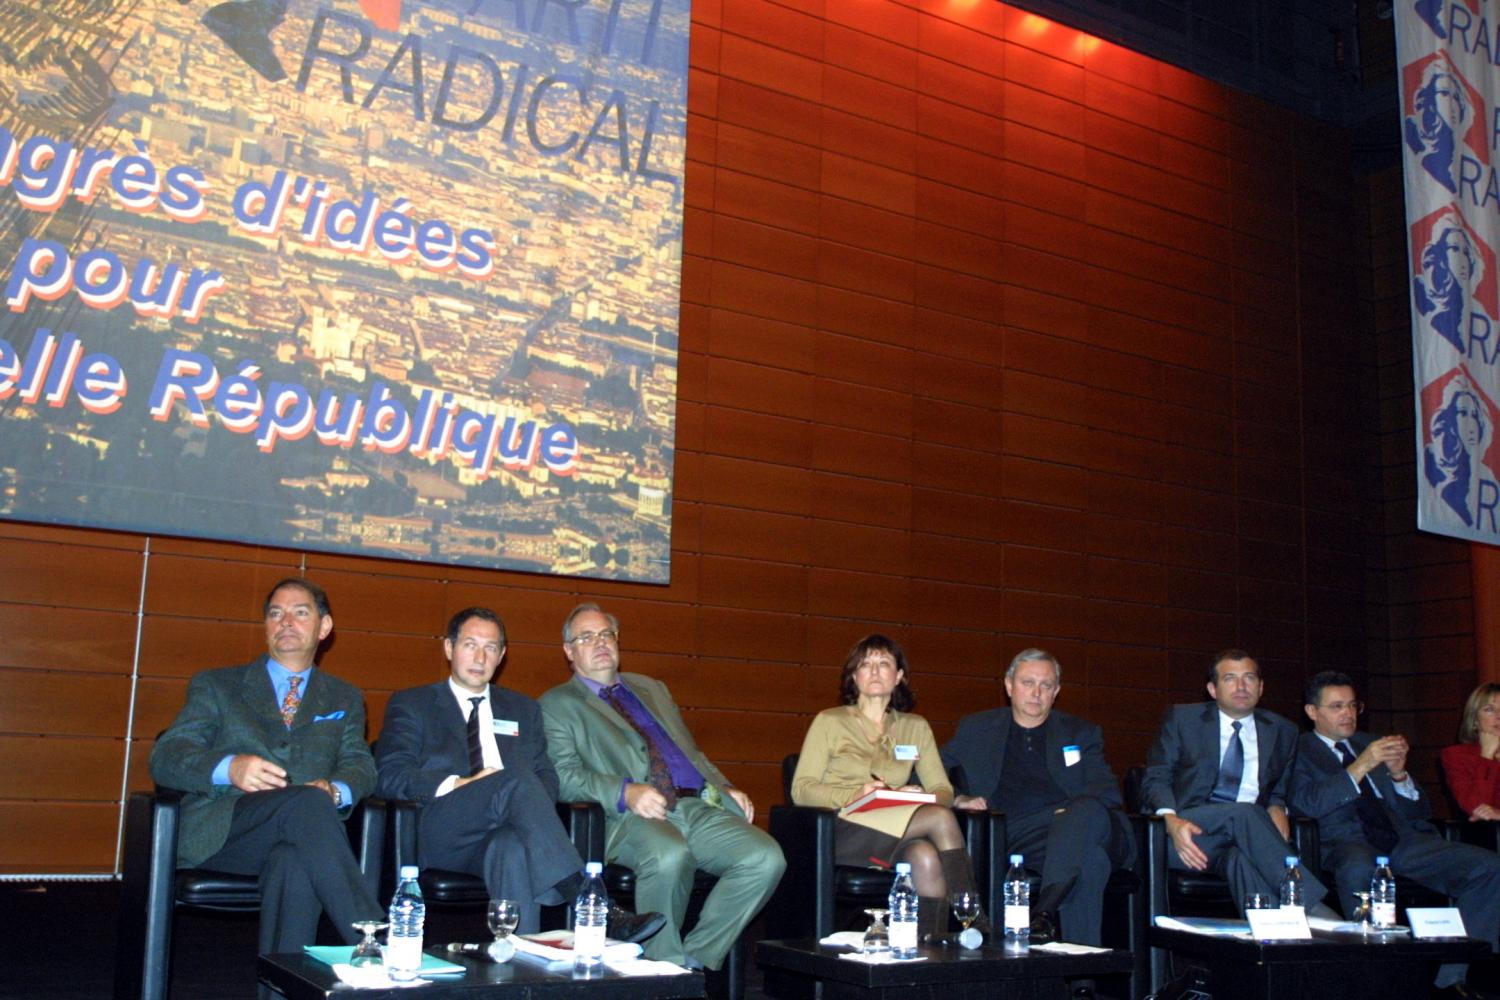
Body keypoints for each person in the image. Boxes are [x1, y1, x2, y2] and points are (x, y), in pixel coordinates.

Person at [374, 607, 665, 941]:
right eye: (470, 644)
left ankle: (518, 964)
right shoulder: (414, 704)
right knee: (513, 779)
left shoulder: (523, 709)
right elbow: (391, 776)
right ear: (449, 648)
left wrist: (516, 800)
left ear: (502, 655)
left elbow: (547, 776)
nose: (480, 656)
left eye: (491, 647)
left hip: (505, 830)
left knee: (512, 848)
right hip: (443, 829)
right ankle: (590, 901)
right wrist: (461, 784)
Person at [540, 603, 786, 971]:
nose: (600, 642)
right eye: (586, 637)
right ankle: (662, 972)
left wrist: (724, 786)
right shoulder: (556, 704)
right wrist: (625, 791)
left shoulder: (650, 688)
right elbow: (563, 776)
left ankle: (692, 960)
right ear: (568, 651)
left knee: (766, 859)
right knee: (671, 854)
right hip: (628, 816)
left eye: (606, 634)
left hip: (693, 805)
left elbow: (690, 753)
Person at [149, 577, 383, 961]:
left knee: (294, 859)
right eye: (276, 614)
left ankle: (281, 986)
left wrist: (336, 791)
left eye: (300, 613)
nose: (286, 621)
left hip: (304, 836)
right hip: (225, 833)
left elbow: (360, 765)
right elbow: (166, 756)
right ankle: (375, 942)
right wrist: (229, 767)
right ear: (266, 627)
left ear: (324, 628)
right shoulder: (217, 685)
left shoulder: (344, 696)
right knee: (307, 804)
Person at [1291, 671, 1500, 1000]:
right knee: (1358, 867)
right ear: (1312, 712)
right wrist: (1361, 764)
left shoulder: (1369, 741)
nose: (1348, 714)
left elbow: (1419, 812)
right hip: (1345, 842)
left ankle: (1453, 979)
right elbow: (1309, 804)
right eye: (1336, 707)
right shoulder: (1297, 750)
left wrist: (1400, 775)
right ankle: (1377, 981)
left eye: (1352, 705)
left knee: (1489, 867)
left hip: (1401, 840)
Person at [791, 634, 984, 943]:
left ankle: (928, 950)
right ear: (854, 677)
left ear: (899, 677)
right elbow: (801, 790)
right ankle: (973, 920)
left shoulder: (915, 726)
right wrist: (857, 794)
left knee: (925, 857)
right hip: (843, 827)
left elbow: (942, 790)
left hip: (897, 826)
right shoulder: (829, 721)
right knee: (939, 818)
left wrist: (916, 796)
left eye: (884, 664)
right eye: (866, 665)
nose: (875, 671)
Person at [942, 648, 1133, 946]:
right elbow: (928, 774)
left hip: (1086, 824)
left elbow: (1106, 791)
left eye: (1046, 686)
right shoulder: (977, 728)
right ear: (1008, 686)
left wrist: (1070, 815)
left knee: (1083, 815)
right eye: (1027, 683)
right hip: (1023, 836)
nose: (1036, 693)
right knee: (1091, 863)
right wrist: (957, 798)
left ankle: (1042, 911)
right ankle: (1080, 978)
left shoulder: (1080, 732)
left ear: (1056, 691)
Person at [1139, 649, 1331, 915]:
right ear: (1212, 689)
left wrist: (1277, 806)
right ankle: (1313, 907)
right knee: (1245, 813)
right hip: (1186, 834)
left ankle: (1277, 941)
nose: (1241, 686)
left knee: (1241, 860)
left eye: (1249, 678)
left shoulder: (1283, 731)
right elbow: (1156, 778)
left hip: (1242, 839)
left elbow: (1279, 788)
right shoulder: (1183, 719)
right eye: (1230, 678)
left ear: (1261, 687)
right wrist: (1170, 821)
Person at [1424, 375, 1494, 527]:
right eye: (1462, 413)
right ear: (1449, 422)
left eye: (1474, 415)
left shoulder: (1489, 480)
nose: (1471, 425)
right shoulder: (1441, 484)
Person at [1441, 682, 1500, 821]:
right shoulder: (1456, 756)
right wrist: (1486, 756)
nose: (1499, 716)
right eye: (1490, 709)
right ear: (1474, 720)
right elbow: (1475, 809)